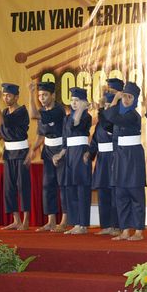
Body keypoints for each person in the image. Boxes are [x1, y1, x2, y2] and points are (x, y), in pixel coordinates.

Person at [104, 82, 146, 241]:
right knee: (121, 194)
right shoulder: (120, 114)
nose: (126, 100)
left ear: (135, 100)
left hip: (133, 157)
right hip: (120, 156)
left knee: (135, 193)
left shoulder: (133, 115)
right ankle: (125, 230)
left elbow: (111, 116)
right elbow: (107, 120)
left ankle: (139, 231)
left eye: (130, 97)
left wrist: (115, 99)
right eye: (124, 96)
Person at [0, 83, 31, 230]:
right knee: (9, 187)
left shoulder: (21, 111)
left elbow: (1, 121)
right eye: (4, 95)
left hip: (21, 153)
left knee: (23, 186)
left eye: (9, 96)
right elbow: (1, 130)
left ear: (16, 97)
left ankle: (25, 221)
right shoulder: (5, 111)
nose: (6, 98)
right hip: (9, 154)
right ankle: (16, 220)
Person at [26, 81, 68, 232]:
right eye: (39, 95)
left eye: (44, 95)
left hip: (60, 150)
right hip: (48, 149)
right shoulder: (43, 110)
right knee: (47, 185)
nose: (41, 98)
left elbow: (32, 115)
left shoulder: (58, 110)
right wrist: (32, 150)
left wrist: (30, 93)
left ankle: (64, 221)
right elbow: (40, 134)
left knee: (62, 185)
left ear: (53, 95)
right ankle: (51, 221)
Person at [52, 87, 92, 234]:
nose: (74, 103)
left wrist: (82, 108)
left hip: (81, 153)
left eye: (78, 100)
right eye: (72, 100)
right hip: (69, 154)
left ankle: (83, 224)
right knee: (71, 189)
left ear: (84, 102)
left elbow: (75, 124)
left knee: (82, 188)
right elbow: (65, 139)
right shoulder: (67, 117)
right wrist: (60, 154)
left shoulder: (86, 116)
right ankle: (75, 223)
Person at [90, 80, 123, 236]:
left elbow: (108, 123)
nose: (107, 108)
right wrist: (89, 153)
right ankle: (106, 225)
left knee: (114, 193)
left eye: (110, 106)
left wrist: (103, 109)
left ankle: (116, 225)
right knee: (103, 192)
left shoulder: (115, 120)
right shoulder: (100, 123)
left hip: (113, 158)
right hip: (102, 160)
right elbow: (95, 140)